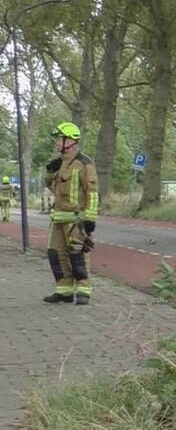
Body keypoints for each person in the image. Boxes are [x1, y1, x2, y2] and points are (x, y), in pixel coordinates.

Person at [43, 122, 98, 305]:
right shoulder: (59, 164)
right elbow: (54, 188)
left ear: (70, 141)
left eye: (59, 139)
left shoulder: (84, 164)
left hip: (75, 220)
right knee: (55, 254)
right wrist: (50, 173)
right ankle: (64, 290)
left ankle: (83, 290)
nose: (57, 142)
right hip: (58, 218)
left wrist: (90, 219)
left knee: (77, 254)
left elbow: (92, 192)